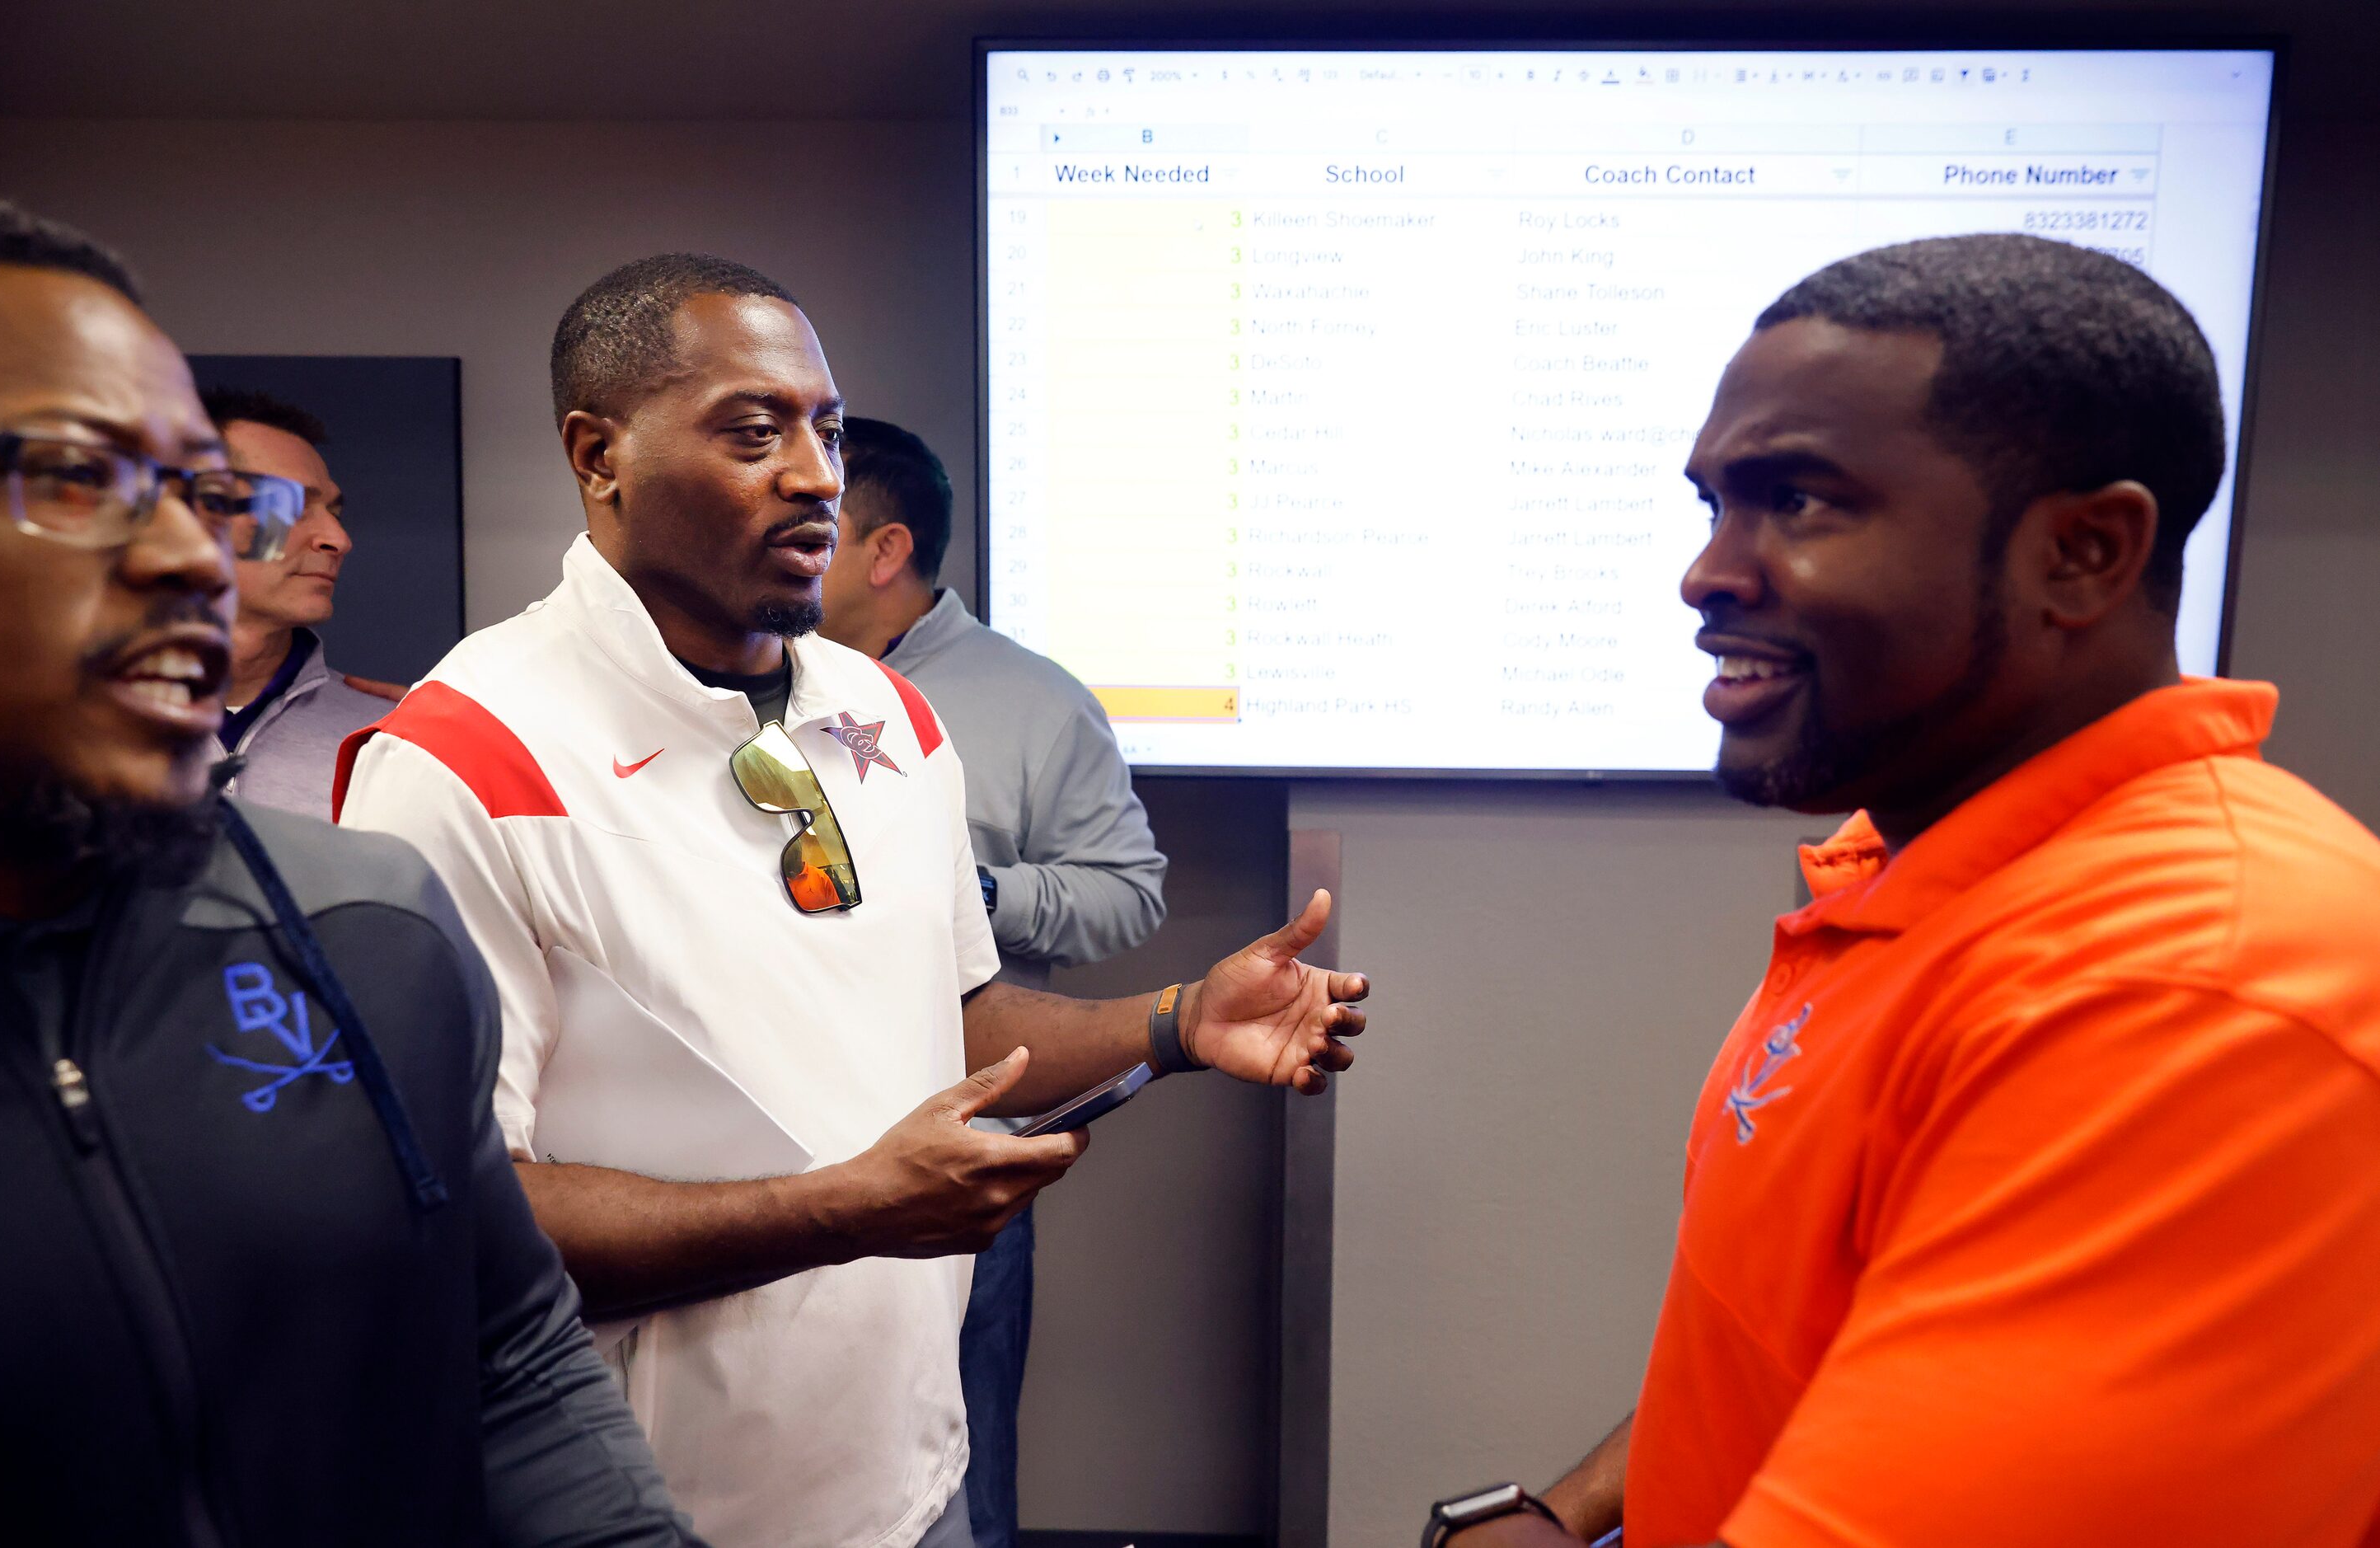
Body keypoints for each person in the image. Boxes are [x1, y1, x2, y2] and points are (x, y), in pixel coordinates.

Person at [335, 252, 1368, 1548]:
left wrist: (1176, 1019)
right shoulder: (463, 757)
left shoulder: (884, 712)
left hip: (907, 1480)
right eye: (751, 431)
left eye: (823, 429)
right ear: (599, 454)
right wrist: (845, 1208)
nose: (816, 472)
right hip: (645, 1511)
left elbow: (959, 1020)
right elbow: (452, 1212)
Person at [1427, 235, 2380, 1548]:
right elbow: (1813, 1338)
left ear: (2082, 553)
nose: (1706, 574)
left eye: (1800, 503)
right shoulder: (1913, 874)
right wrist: (1573, 1512)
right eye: (1713, 506)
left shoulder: (2193, 986)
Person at [0, 195, 700, 1547]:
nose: (192, 556)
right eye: (75, 473)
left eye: (199, 493)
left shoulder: (367, 926)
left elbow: (511, 1360)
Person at [819, 416, 1169, 1548]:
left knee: (958, 1456)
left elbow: (1127, 893)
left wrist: (975, 890)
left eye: (810, 522)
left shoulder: (1030, 700)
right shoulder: (733, 678)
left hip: (956, 1131)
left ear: (883, 549)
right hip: (764, 1142)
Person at [199, 385, 397, 819]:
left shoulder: (393, 739)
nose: (338, 540)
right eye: (290, 506)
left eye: (335, 513)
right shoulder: (52, 732)